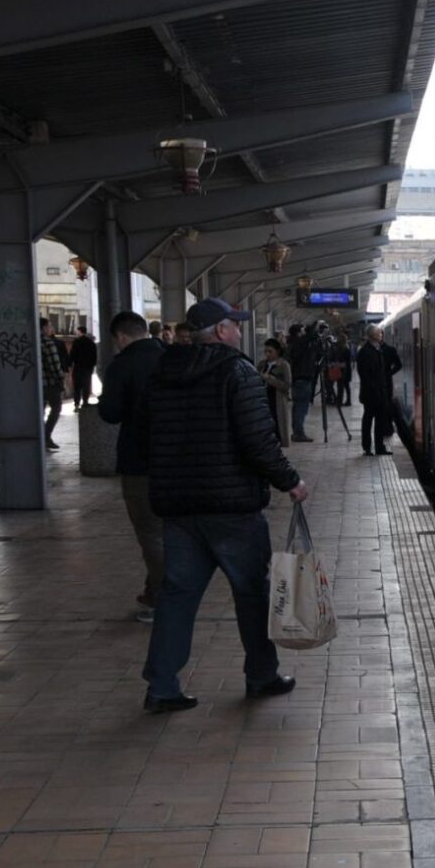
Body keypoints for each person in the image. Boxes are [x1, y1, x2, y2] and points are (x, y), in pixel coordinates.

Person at [141, 296, 307, 713]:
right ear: (219, 331)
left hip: (179, 507)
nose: (238, 330)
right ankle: (262, 676)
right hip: (231, 508)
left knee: (176, 596)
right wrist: (291, 481)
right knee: (251, 592)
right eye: (233, 324)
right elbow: (257, 440)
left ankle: (162, 686)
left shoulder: (162, 373)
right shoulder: (238, 371)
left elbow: (148, 435)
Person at [99, 310, 166, 623]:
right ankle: (154, 593)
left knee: (151, 533)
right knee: (173, 530)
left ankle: (165, 599)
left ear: (121, 337)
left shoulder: (122, 365)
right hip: (177, 459)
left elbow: (110, 413)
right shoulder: (170, 357)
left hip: (139, 460)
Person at [356, 325, 401, 457]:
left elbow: (381, 373)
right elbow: (364, 375)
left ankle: (379, 447)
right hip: (371, 394)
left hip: (381, 393)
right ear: (373, 335)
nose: (381, 334)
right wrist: (375, 390)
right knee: (368, 420)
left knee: (380, 421)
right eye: (379, 333)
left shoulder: (377, 350)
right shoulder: (365, 352)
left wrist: (383, 390)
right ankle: (367, 447)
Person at [258, 338, 292, 446]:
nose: (267, 354)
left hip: (276, 399)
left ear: (277, 351)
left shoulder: (283, 365)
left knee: (277, 422)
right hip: (263, 398)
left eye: (270, 351)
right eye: (266, 351)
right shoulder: (262, 364)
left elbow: (287, 385)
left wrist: (270, 379)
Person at [39, 317, 66, 450]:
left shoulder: (32, 340)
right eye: (49, 326)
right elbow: (54, 364)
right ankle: (46, 435)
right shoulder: (47, 342)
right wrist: (61, 378)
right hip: (50, 383)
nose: (51, 329)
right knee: (56, 408)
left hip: (36, 385)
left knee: (40, 411)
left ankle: (41, 437)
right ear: (43, 328)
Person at [286, 324, 316, 442]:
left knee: (297, 407)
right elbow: (311, 335)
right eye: (302, 330)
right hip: (303, 380)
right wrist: (316, 324)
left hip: (297, 380)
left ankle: (296, 432)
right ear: (298, 333)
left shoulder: (293, 343)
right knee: (301, 408)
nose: (304, 333)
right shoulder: (299, 343)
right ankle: (299, 433)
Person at [68, 325, 97, 410]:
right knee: (86, 386)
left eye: (77, 331)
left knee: (77, 387)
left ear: (80, 332)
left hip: (78, 367)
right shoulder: (91, 343)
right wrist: (92, 366)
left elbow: (72, 354)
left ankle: (77, 404)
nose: (76, 333)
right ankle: (85, 402)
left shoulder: (76, 342)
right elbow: (94, 356)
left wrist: (69, 364)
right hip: (87, 368)